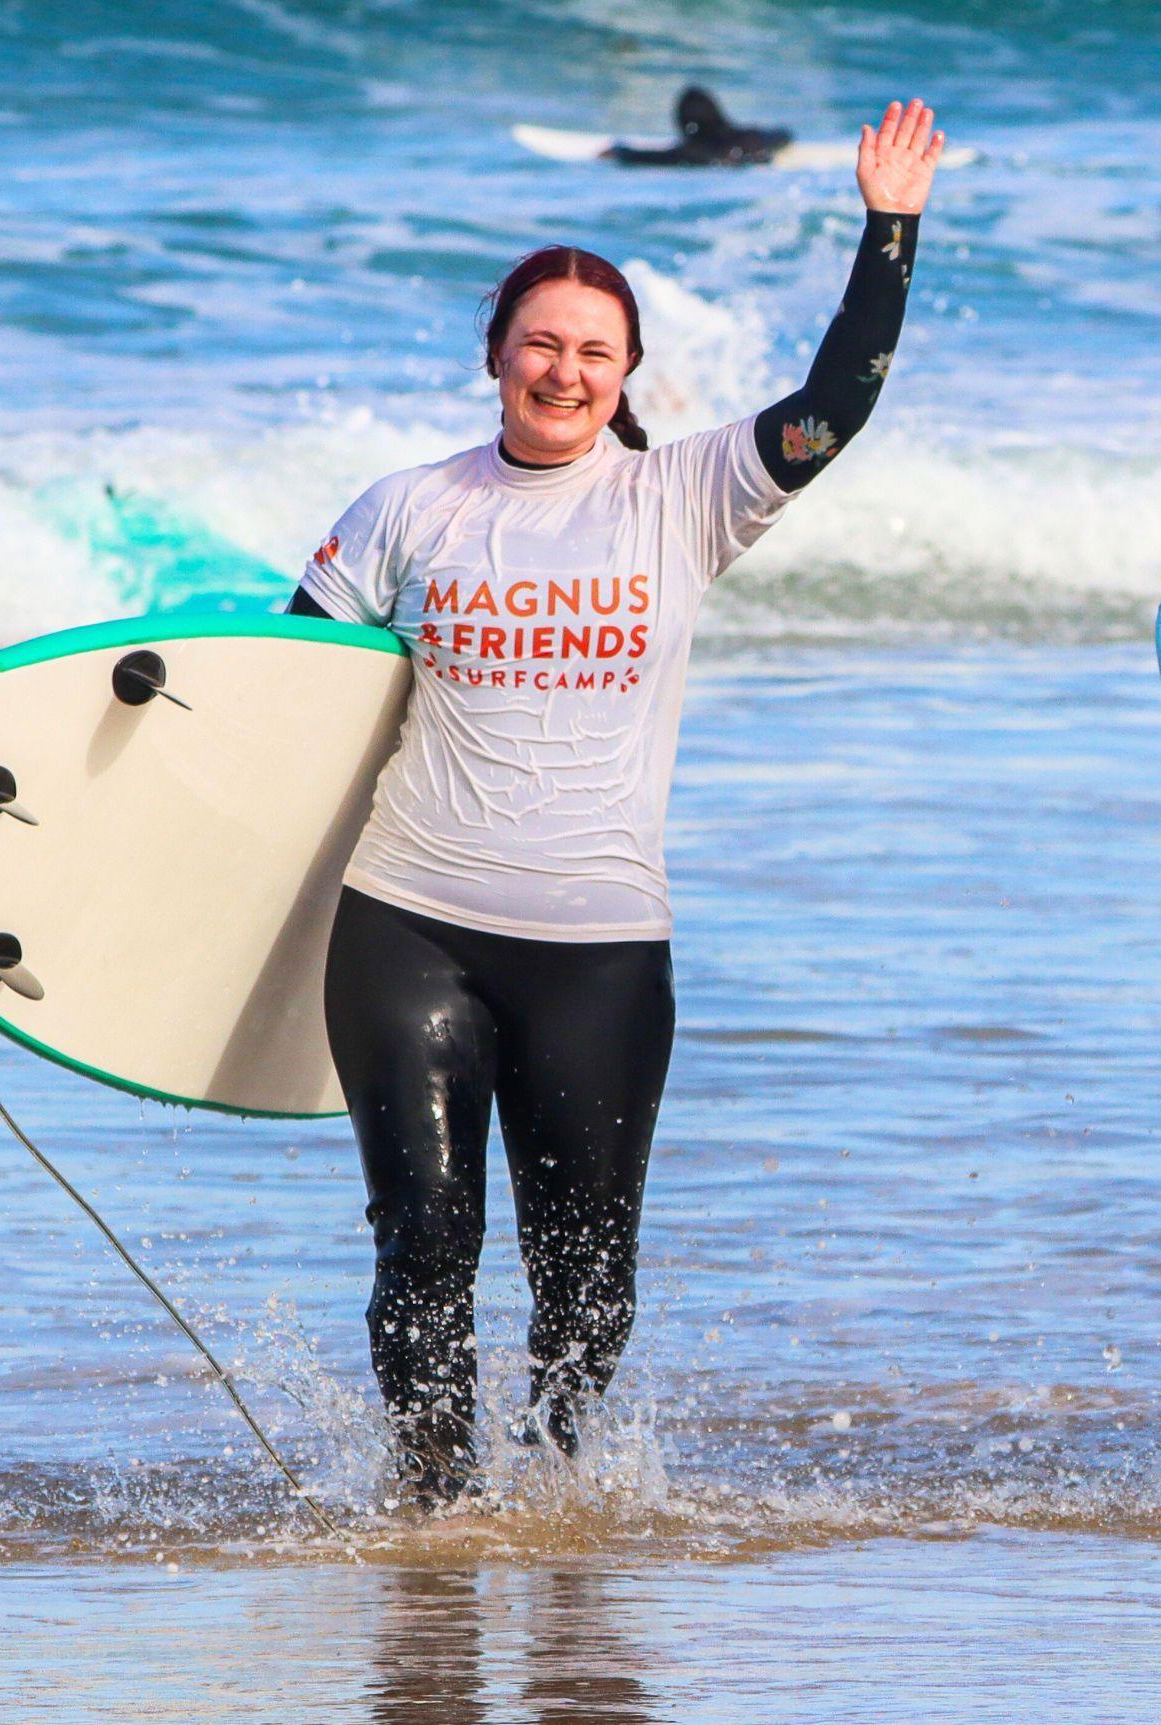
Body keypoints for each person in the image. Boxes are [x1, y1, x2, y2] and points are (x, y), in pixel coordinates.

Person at [288, 100, 945, 1510]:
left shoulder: (685, 496)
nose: (564, 370)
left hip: (599, 946)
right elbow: (280, 704)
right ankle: (433, 1512)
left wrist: (888, 227)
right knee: (423, 1243)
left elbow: (838, 400)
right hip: (408, 920)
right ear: (496, 355)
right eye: (541, 343)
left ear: (629, 370)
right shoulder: (407, 508)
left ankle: (559, 1505)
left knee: (586, 1280)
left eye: (595, 350)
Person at [606, 86, 792, 168]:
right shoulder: (746, 138)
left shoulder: (689, 151)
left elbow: (644, 157)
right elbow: (784, 135)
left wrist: (618, 150)